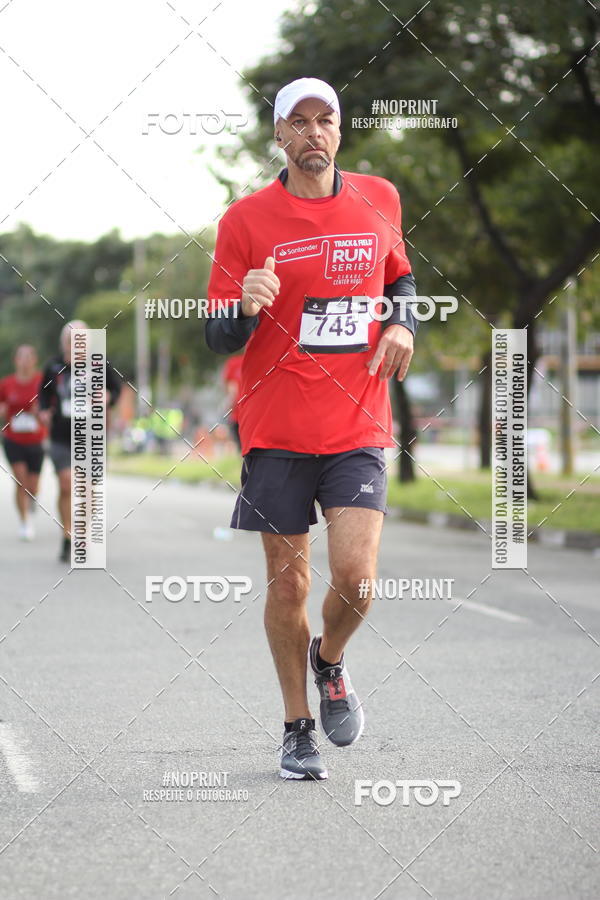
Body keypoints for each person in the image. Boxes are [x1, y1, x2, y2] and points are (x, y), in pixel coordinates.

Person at [205, 77, 418, 781]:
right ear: (279, 136)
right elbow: (217, 335)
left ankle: (329, 661)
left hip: (357, 419)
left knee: (357, 579)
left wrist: (402, 323)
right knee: (288, 587)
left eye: (324, 120)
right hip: (275, 427)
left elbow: (400, 282)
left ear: (339, 130)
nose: (313, 133)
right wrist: (244, 304)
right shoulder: (244, 221)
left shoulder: (378, 197)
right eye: (298, 122)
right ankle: (297, 728)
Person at [39, 321, 121, 562]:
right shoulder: (53, 367)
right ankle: (67, 534)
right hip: (61, 436)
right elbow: (43, 394)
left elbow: (115, 391)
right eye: (72, 339)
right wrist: (44, 411)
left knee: (87, 490)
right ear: (64, 342)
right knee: (66, 484)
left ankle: (81, 535)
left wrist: (107, 396)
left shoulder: (99, 364)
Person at [0, 345, 47, 540]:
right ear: (16, 361)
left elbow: (49, 406)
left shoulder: (42, 382)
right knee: (20, 480)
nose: (25, 361)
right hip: (13, 438)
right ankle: (24, 521)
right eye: (21, 357)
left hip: (36, 439)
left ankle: (32, 498)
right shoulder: (6, 384)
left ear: (34, 360)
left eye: (29, 357)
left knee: (32, 485)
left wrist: (42, 412)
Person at [221, 351, 244, 450]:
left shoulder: (233, 362)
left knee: (243, 449)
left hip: (239, 414)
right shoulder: (234, 362)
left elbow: (231, 387)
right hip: (242, 414)